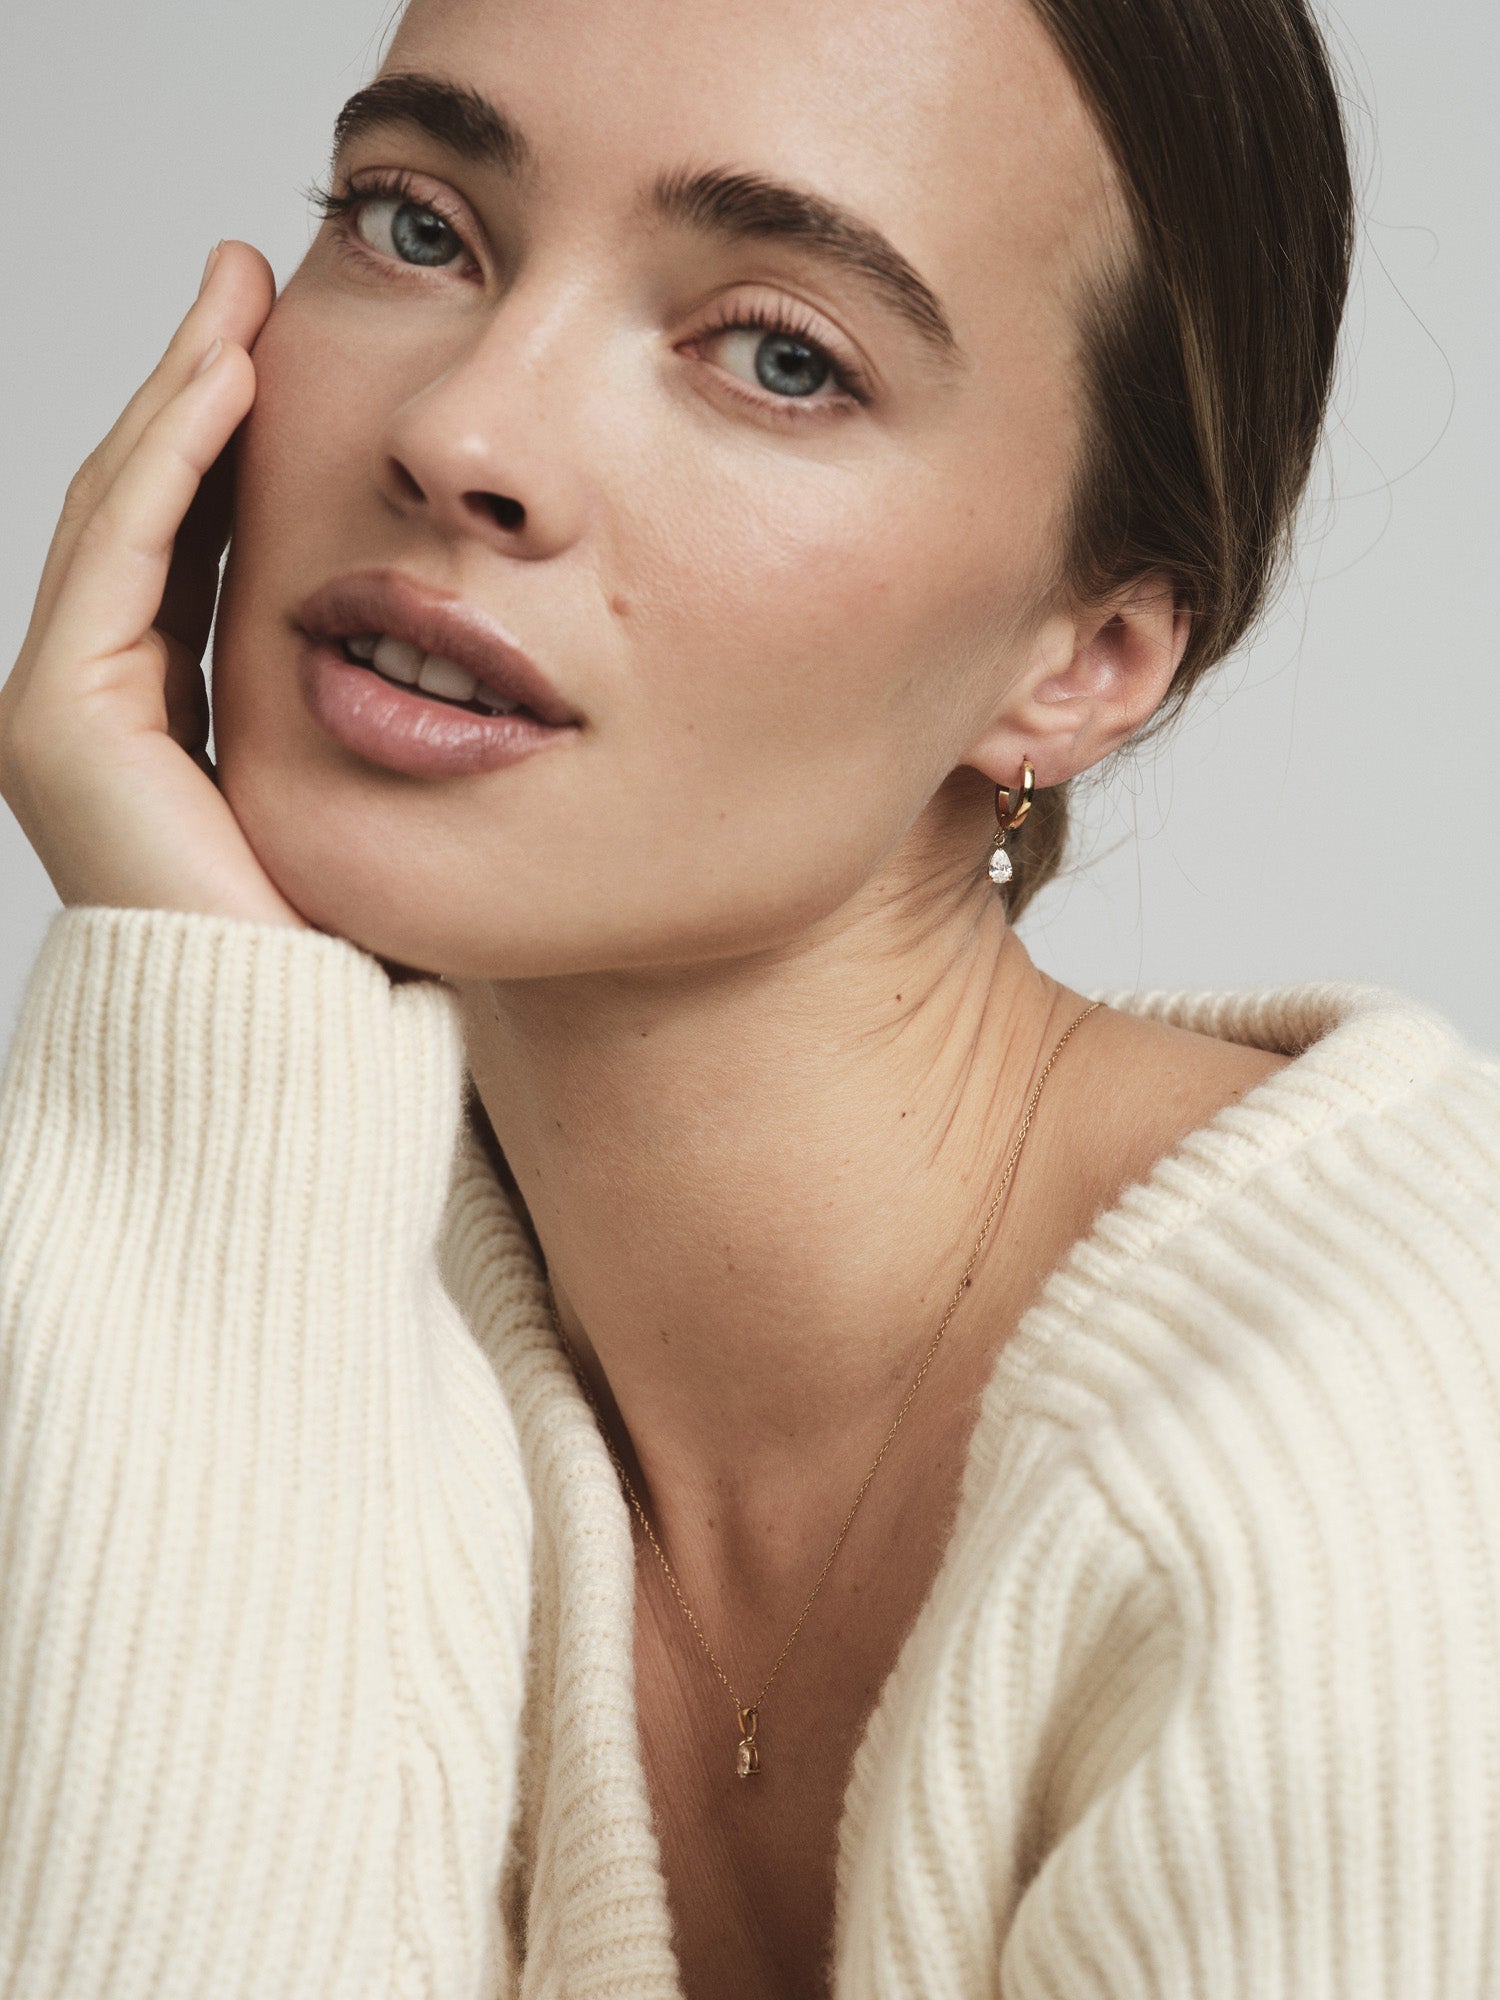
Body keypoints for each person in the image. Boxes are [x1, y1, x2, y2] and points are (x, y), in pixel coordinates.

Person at [1, 0, 1496, 1993]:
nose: (463, 435)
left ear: (1085, 658)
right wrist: (212, 1062)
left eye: (781, 354)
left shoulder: (1389, 1436)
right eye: (417, 224)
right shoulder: (207, 1270)